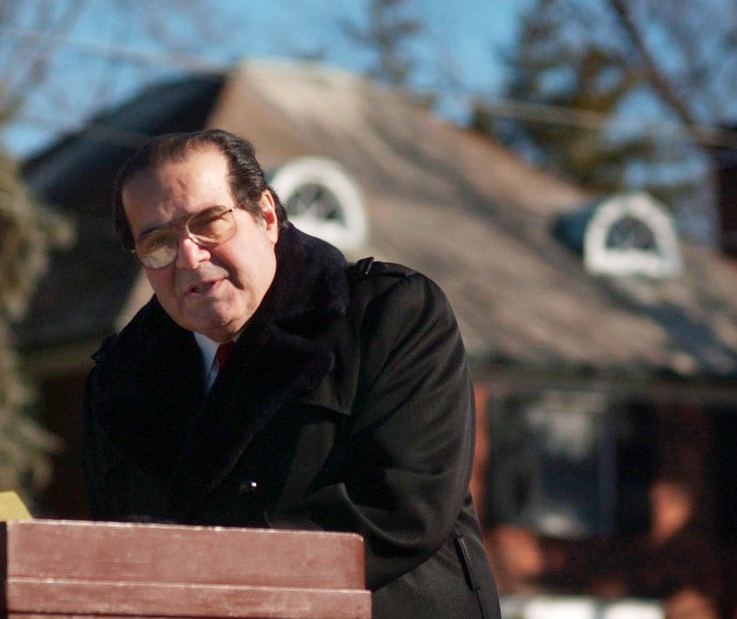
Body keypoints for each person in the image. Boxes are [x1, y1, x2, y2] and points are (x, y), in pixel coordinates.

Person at [82, 128, 502, 618]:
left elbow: (404, 508)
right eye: (158, 243)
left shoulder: (387, 316)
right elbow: (115, 548)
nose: (190, 258)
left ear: (264, 215)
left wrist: (210, 574)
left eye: (210, 223)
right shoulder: (119, 381)